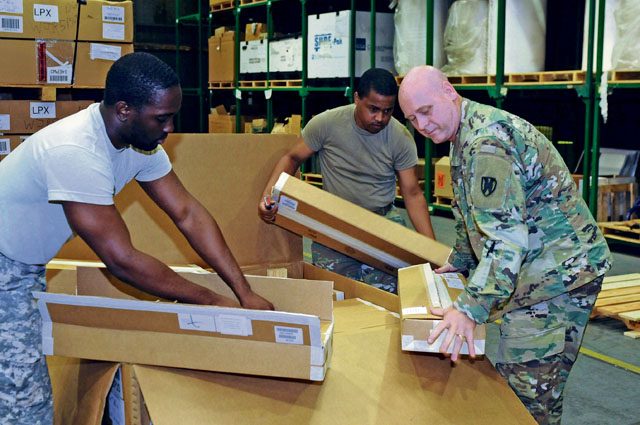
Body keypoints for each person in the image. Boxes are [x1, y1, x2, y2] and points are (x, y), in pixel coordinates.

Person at [0, 52, 273, 424]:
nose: (169, 129)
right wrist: (211, 300)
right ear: (125, 109)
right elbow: (121, 259)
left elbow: (188, 214)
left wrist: (244, 293)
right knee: (24, 406)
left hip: (22, 266)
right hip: (5, 269)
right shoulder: (77, 150)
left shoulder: (139, 146)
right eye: (161, 118)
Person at [398, 65, 612, 425]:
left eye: (426, 111)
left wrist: (469, 309)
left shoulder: (487, 142)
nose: (422, 125)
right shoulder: (465, 134)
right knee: (536, 385)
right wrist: (463, 260)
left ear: (449, 92)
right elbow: (472, 211)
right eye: (412, 119)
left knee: (525, 393)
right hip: (542, 269)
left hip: (557, 275)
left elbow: (506, 238)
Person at [258, 68, 435, 293]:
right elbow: (291, 158)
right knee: (332, 295)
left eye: (387, 111)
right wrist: (268, 196)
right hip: (335, 224)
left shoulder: (400, 137)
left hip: (381, 223)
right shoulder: (326, 124)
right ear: (357, 99)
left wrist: (432, 251)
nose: (380, 118)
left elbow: (412, 194)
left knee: (387, 298)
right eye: (373, 109)